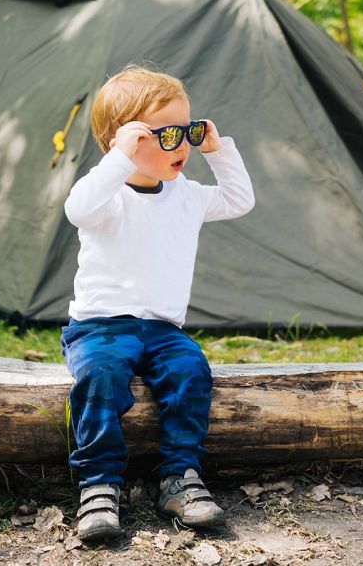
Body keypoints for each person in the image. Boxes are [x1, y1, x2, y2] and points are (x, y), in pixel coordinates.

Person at [61, 63, 255, 541]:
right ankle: (100, 483)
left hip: (165, 330)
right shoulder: (107, 197)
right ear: (125, 142)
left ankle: (180, 478)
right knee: (100, 377)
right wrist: (117, 160)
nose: (182, 145)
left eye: (187, 132)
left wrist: (219, 148)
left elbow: (239, 200)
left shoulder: (185, 195)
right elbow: (77, 208)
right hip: (100, 326)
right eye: (167, 135)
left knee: (191, 372)